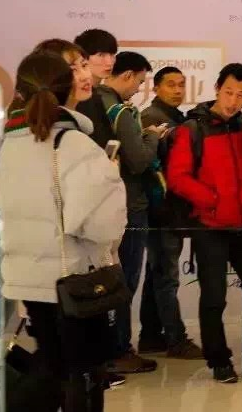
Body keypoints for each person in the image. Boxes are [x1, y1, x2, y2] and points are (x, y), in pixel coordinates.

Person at [0, 50, 126, 411]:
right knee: (78, 373)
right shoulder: (74, 143)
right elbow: (100, 225)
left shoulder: (11, 145)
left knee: (53, 365)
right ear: (68, 86)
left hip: (29, 279)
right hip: (72, 281)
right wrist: (111, 179)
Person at [167, 64, 242, 383]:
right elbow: (177, 177)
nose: (233, 101)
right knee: (214, 298)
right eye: (228, 92)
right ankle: (219, 360)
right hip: (210, 227)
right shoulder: (193, 128)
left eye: (240, 95)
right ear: (217, 89)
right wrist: (212, 200)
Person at [95, 51, 163, 376]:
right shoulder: (120, 112)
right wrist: (152, 136)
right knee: (125, 282)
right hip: (128, 205)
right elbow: (138, 161)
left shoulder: (94, 103)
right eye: (139, 81)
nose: (138, 89)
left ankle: (108, 348)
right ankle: (119, 348)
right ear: (126, 75)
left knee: (107, 281)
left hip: (102, 205)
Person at [138, 66, 203, 359]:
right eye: (171, 85)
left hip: (169, 208)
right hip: (161, 208)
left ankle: (151, 337)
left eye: (181, 85)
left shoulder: (177, 118)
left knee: (158, 274)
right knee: (166, 276)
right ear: (156, 88)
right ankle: (176, 340)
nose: (177, 90)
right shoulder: (151, 118)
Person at [74, 28, 118, 149]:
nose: (109, 62)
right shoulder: (79, 97)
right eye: (101, 55)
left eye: (112, 55)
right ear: (82, 58)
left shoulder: (96, 94)